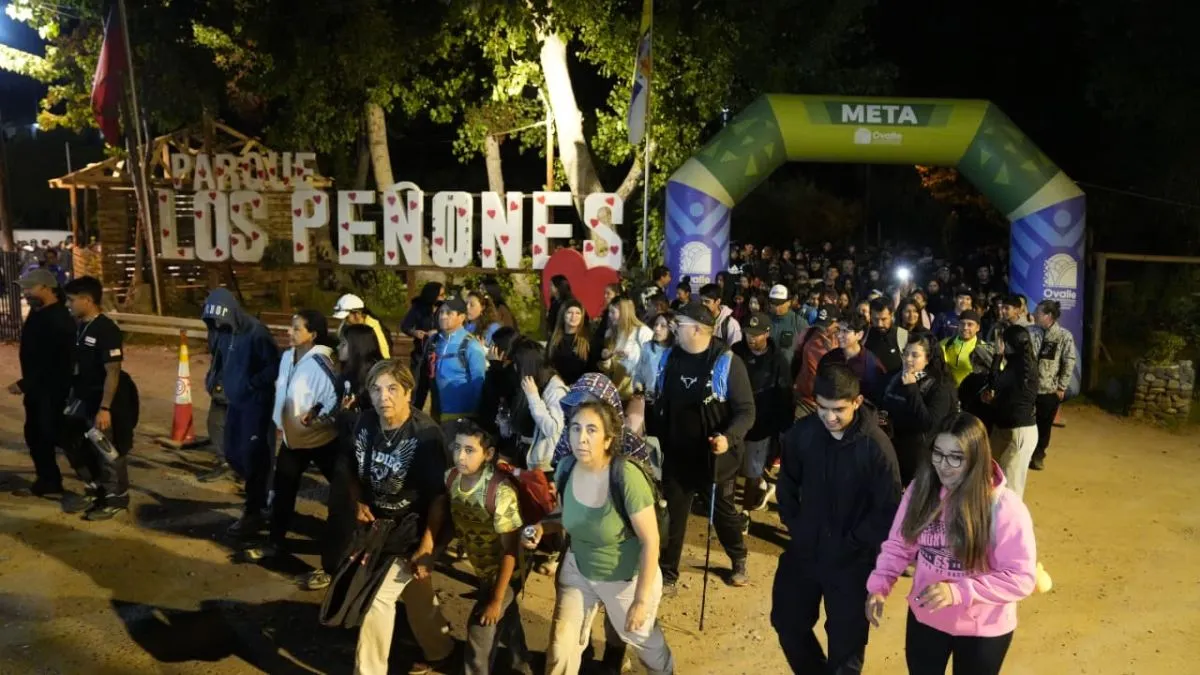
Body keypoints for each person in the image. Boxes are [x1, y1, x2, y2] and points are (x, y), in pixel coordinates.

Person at [866, 413, 1037, 675]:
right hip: (927, 617)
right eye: (938, 453)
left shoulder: (1005, 508)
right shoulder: (920, 490)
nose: (944, 466)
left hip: (983, 630)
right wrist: (879, 586)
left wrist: (958, 592)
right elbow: (900, 544)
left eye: (956, 457)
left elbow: (1021, 577)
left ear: (976, 458)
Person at [525, 401, 675, 675]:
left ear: (608, 439)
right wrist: (542, 528)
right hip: (579, 568)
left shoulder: (626, 477)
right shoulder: (566, 468)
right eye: (575, 428)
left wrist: (641, 601)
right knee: (561, 646)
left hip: (624, 578)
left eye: (592, 430)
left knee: (647, 646)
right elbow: (568, 516)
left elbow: (650, 540)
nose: (581, 437)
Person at [773, 363, 901, 675]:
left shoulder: (876, 447)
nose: (830, 417)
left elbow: (889, 508)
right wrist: (798, 527)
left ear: (857, 402)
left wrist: (854, 541)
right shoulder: (801, 435)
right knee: (787, 622)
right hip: (805, 551)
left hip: (852, 562)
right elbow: (787, 486)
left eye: (839, 410)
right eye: (823, 408)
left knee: (846, 647)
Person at [350, 360, 455, 674]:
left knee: (376, 600)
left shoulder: (425, 436)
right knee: (416, 592)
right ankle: (441, 648)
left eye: (392, 389)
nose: (384, 397)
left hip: (414, 527)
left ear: (409, 392)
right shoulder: (365, 423)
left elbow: (439, 497)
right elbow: (348, 465)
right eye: (376, 389)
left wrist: (426, 546)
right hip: (379, 526)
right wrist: (356, 501)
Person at [648, 301, 755, 591]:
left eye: (678, 324)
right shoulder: (670, 358)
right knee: (673, 516)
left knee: (721, 511)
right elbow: (657, 400)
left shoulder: (726, 362)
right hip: (677, 455)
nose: (673, 328)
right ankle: (667, 574)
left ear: (697, 328)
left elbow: (746, 411)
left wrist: (727, 438)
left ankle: (738, 556)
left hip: (714, 456)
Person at [241, 311, 341, 586]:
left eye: (297, 329)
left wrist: (318, 419)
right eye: (291, 328)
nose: (290, 332)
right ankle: (275, 543)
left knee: (346, 490)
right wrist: (280, 421)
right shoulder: (287, 357)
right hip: (292, 440)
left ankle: (361, 541)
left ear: (313, 335)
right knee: (283, 491)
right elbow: (282, 391)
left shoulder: (324, 361)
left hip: (321, 439)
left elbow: (337, 395)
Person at [443, 420, 532, 675]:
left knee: (480, 627)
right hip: (484, 568)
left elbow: (510, 551)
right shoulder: (451, 478)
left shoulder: (500, 493)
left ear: (488, 454)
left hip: (508, 571)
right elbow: (452, 514)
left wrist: (495, 598)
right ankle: (521, 665)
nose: (461, 456)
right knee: (508, 618)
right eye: (457, 447)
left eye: (470, 450)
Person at [59, 276, 140, 520]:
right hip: (82, 397)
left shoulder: (106, 330)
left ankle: (117, 497)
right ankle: (95, 488)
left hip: (103, 400)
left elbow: (112, 372)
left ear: (87, 300)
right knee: (71, 439)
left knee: (106, 448)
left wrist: (105, 408)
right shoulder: (80, 326)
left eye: (72, 300)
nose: (68, 305)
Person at [201, 288, 280, 535]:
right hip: (235, 403)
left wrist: (251, 385)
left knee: (256, 459)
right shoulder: (222, 332)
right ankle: (263, 493)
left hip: (256, 405)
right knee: (234, 454)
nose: (216, 325)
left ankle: (255, 511)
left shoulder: (256, 333)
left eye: (219, 320)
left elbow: (273, 366)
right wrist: (214, 379)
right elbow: (220, 360)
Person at [9, 269, 75, 498]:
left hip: (53, 391)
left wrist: (26, 383)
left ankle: (99, 484)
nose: (26, 292)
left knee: (58, 435)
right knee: (36, 435)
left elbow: (56, 362)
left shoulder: (59, 319)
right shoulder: (39, 313)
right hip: (39, 391)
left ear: (47, 288)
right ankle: (48, 480)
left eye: (30, 288)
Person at [731, 311, 794, 518]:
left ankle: (745, 515)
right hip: (734, 422)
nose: (751, 338)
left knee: (751, 471)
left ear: (767, 333)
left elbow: (784, 397)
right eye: (748, 333)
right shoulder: (735, 352)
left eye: (756, 334)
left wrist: (781, 429)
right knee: (730, 470)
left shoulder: (778, 361)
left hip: (761, 427)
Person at [880, 336, 958, 486]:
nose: (908, 359)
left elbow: (929, 423)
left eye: (915, 355)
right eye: (905, 353)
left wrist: (912, 388)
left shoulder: (938, 387)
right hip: (893, 448)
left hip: (919, 456)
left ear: (927, 359)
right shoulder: (894, 377)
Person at [985, 324, 1039, 498]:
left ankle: (1009, 522)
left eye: (1002, 342)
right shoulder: (1020, 364)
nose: (1000, 345)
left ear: (1009, 344)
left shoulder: (1020, 367)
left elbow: (994, 382)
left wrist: (997, 356)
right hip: (1006, 428)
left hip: (1018, 432)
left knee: (1010, 486)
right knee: (991, 474)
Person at [1028, 300, 1076, 471]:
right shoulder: (1030, 332)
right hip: (1028, 388)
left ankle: (1039, 454)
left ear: (1048, 316)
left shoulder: (1064, 336)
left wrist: (1061, 387)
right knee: (1026, 424)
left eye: (1038, 312)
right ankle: (1026, 453)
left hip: (1049, 390)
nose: (1034, 314)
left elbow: (1069, 362)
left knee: (1044, 425)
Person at [508, 338, 569, 471]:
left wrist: (533, 397)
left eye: (517, 363)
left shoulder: (556, 389)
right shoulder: (531, 383)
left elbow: (551, 428)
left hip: (545, 465)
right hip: (525, 455)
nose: (515, 367)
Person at [430, 298, 489, 422]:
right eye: (441, 312)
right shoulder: (434, 341)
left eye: (449, 313)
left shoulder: (471, 345)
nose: (443, 316)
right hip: (437, 415)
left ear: (461, 317)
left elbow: (479, 383)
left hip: (462, 417)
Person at [821, 313, 887, 404]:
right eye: (839, 330)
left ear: (859, 335)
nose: (839, 335)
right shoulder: (829, 358)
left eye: (846, 331)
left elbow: (875, 399)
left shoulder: (872, 366)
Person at [401, 281, 445, 410]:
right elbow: (405, 326)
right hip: (420, 356)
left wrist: (438, 332)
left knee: (438, 394)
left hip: (439, 356)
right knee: (417, 392)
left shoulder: (445, 309)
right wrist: (415, 332)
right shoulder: (418, 308)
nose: (443, 298)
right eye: (440, 295)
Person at [793, 306, 841, 416]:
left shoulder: (842, 340)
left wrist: (833, 353)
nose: (823, 330)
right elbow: (796, 357)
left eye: (827, 325)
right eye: (821, 325)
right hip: (805, 400)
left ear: (837, 323)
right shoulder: (808, 333)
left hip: (829, 404)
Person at [547, 298, 592, 386]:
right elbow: (548, 366)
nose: (573, 316)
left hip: (579, 389)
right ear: (563, 315)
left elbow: (591, 370)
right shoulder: (553, 340)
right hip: (557, 388)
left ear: (582, 317)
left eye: (577, 313)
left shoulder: (587, 342)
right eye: (570, 312)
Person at [604, 297, 653, 378]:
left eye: (613, 312)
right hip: (618, 384)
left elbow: (652, 361)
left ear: (624, 313)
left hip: (636, 385)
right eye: (609, 312)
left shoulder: (643, 331)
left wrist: (629, 356)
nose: (609, 315)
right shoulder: (615, 332)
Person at [333, 293, 392, 359]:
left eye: (347, 317)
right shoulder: (346, 325)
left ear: (357, 314)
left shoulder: (373, 328)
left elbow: (384, 353)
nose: (345, 321)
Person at [766, 284, 809, 373]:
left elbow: (807, 351)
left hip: (789, 374)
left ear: (789, 302)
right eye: (774, 304)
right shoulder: (765, 321)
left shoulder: (799, 323)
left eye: (780, 304)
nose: (777, 307)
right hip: (767, 372)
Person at [633, 311, 674, 401]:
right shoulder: (647, 347)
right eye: (656, 325)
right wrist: (638, 389)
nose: (657, 329)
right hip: (648, 400)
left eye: (663, 326)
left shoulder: (676, 352)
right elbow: (638, 374)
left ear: (672, 329)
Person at [865, 298, 910, 376]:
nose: (879, 324)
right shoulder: (864, 334)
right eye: (875, 319)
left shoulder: (903, 336)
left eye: (884, 319)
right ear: (870, 316)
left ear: (891, 315)